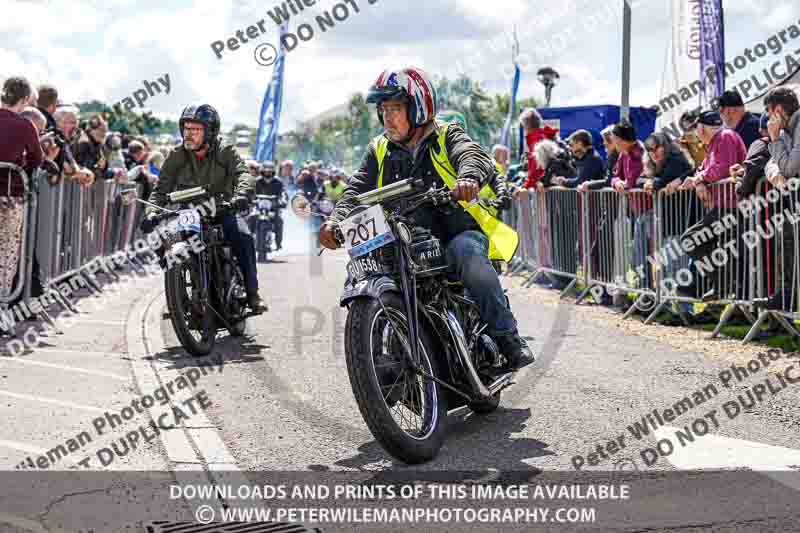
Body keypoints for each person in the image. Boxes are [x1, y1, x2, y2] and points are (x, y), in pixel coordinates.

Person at [319, 67, 534, 371]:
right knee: (364, 267)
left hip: (452, 231)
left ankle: (506, 337)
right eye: (383, 110)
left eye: (395, 108)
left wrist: (468, 178)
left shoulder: (447, 134)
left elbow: (471, 155)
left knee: (468, 253)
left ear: (418, 107)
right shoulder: (378, 148)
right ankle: (377, 362)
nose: (387, 117)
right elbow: (356, 189)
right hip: (401, 237)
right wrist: (335, 221)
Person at [142, 103, 265, 313]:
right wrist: (152, 211)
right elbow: (161, 189)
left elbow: (243, 174)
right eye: (186, 128)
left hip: (222, 209)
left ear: (210, 132)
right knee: (163, 238)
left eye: (196, 130)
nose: (189, 134)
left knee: (243, 237)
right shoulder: (177, 155)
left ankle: (252, 294)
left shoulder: (225, 151)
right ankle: (178, 297)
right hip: (189, 213)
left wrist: (241, 195)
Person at [678, 111, 747, 301]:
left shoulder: (725, 137)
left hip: (732, 206)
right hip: (725, 206)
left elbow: (722, 168)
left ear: (701, 128)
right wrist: (699, 180)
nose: (695, 133)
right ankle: (724, 286)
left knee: (691, 239)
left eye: (696, 128)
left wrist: (697, 180)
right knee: (723, 251)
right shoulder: (717, 141)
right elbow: (704, 169)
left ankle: (724, 285)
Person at [0, 77, 43, 322]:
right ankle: (1, 309)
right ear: (25, 99)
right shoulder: (25, 126)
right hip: (10, 196)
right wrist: (20, 164)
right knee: (6, 253)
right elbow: (37, 158)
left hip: (10, 193)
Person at [250, 161, 286, 250]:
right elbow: (251, 192)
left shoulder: (278, 182)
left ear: (273, 172)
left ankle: (278, 243)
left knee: (279, 221)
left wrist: (283, 201)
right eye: (266, 171)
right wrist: (249, 199)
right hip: (258, 208)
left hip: (273, 208)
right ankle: (248, 240)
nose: (267, 173)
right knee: (251, 218)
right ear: (262, 171)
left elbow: (283, 194)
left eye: (270, 171)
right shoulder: (256, 181)